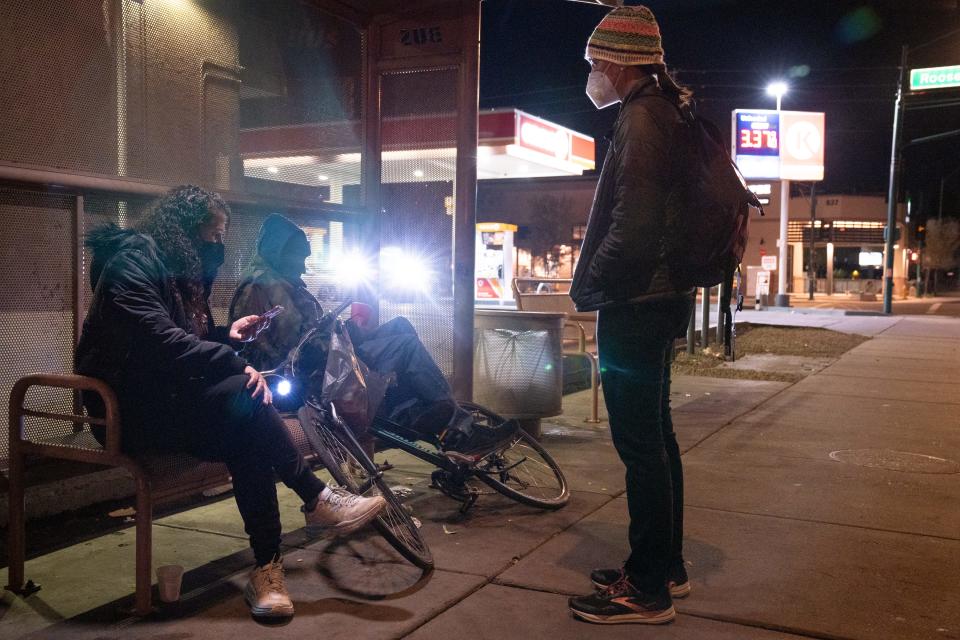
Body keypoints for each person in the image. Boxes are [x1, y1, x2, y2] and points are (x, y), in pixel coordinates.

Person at [75, 186, 386, 620]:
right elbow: (160, 344)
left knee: (247, 426)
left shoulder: (175, 268)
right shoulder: (133, 264)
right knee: (246, 397)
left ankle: (267, 568)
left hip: (168, 400)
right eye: (213, 235)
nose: (218, 245)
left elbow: (183, 342)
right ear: (184, 230)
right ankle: (316, 499)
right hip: (126, 411)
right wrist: (236, 366)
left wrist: (226, 335)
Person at [567, 6, 695, 625]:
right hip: (659, 298)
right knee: (658, 436)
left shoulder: (642, 118)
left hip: (636, 300)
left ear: (619, 60)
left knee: (639, 443)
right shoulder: (667, 111)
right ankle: (665, 565)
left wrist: (592, 284)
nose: (591, 72)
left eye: (595, 61)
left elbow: (634, 226)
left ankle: (647, 591)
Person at [228, 214, 518, 456]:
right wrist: (339, 339)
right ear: (281, 253)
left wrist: (345, 331)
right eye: (299, 258)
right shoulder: (261, 288)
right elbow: (291, 345)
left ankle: (430, 411)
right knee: (404, 347)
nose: (304, 265)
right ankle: (458, 425)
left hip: (328, 354)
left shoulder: (284, 282)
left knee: (401, 325)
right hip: (316, 371)